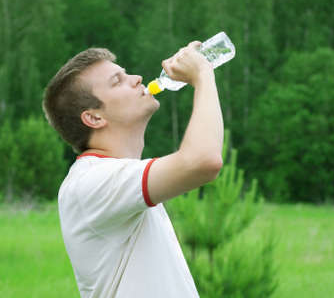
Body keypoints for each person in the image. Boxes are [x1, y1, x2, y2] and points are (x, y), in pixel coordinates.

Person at [42, 41, 224, 297]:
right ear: (94, 117)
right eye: (117, 81)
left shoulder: (121, 177)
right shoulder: (91, 182)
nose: (137, 78)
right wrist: (203, 75)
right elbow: (203, 160)